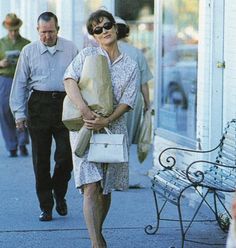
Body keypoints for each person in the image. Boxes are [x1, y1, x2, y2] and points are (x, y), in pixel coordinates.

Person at [64, 9, 138, 248]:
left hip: (112, 130)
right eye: (98, 29)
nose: (104, 31)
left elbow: (128, 101)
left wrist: (106, 120)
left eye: (107, 26)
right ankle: (96, 243)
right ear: (93, 36)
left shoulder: (130, 65)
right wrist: (86, 112)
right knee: (90, 185)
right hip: (85, 128)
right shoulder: (87, 55)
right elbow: (69, 80)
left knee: (105, 188)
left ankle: (98, 232)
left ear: (115, 28)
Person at [10, 12, 78, 221]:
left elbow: (81, 79)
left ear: (58, 29)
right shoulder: (29, 51)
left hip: (66, 105)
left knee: (66, 156)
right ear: (37, 31)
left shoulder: (71, 48)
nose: (47, 36)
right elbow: (20, 83)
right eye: (43, 32)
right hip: (38, 105)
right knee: (40, 159)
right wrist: (19, 114)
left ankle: (59, 192)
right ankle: (46, 206)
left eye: (50, 31)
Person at [115, 16, 153, 145]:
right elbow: (144, 83)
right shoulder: (136, 52)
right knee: (128, 138)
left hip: (112, 101)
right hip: (133, 102)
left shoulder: (105, 50)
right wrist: (148, 104)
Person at [0, 13, 30, 157]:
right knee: (5, 112)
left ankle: (22, 143)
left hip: (22, 80)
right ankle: (11, 145)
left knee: (23, 111)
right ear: (7, 28)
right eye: (11, 30)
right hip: (5, 80)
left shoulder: (26, 43)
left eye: (16, 30)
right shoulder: (1, 43)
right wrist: (1, 63)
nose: (13, 32)